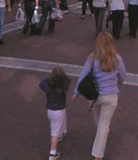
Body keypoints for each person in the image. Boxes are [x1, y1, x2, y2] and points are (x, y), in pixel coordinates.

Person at [72, 32, 126, 160]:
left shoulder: (92, 58)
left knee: (99, 120)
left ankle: (100, 139)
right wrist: (116, 84)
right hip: (111, 96)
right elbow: (122, 77)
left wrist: (76, 93)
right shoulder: (117, 58)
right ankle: (97, 155)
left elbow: (83, 76)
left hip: (94, 96)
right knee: (104, 124)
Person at [39, 66, 71, 160]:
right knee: (54, 133)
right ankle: (52, 153)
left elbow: (41, 83)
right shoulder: (65, 83)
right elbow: (67, 78)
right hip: (59, 110)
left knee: (57, 124)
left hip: (50, 110)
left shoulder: (47, 86)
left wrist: (50, 78)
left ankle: (61, 135)